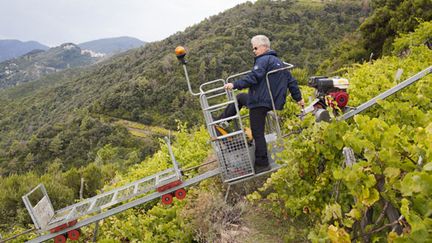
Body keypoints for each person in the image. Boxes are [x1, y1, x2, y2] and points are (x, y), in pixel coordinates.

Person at [220, 35, 304, 174]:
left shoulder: (263, 60)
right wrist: (299, 98)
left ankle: (262, 164)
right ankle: (223, 120)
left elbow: (254, 77)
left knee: (258, 133)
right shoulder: (279, 62)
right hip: (270, 101)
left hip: (259, 102)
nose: (254, 51)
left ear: (264, 47)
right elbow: (292, 82)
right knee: (241, 98)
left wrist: (235, 84)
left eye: (255, 47)